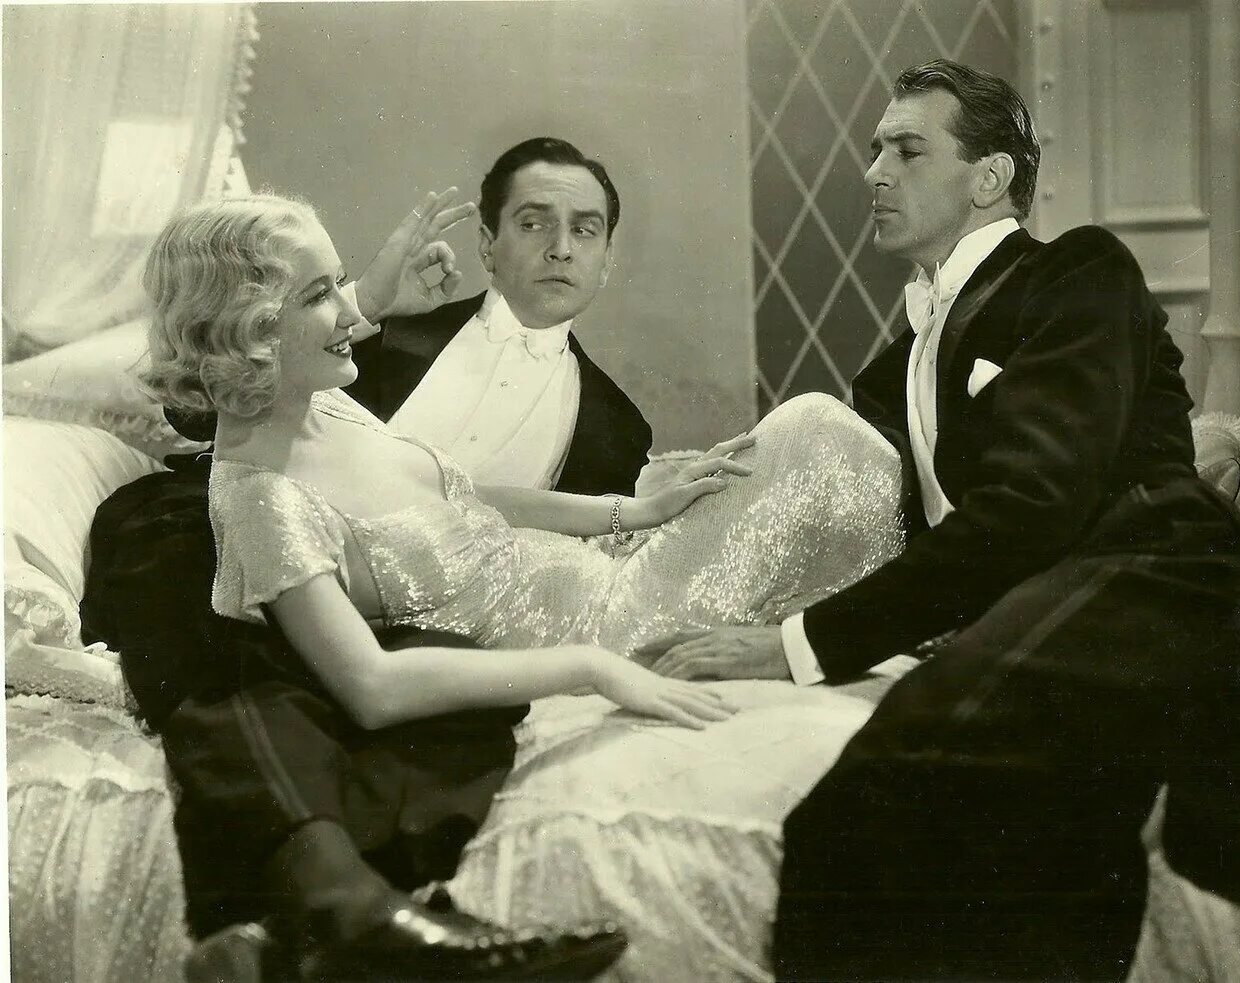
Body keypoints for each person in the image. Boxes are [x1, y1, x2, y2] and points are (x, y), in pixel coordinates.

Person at [138, 191, 910, 979]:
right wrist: (592, 667)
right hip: (612, 630)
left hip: (611, 575)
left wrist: (629, 510)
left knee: (809, 434)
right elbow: (371, 686)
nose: (350, 309)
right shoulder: (261, 499)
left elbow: (464, 496)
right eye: (318, 295)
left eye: (337, 282)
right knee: (817, 436)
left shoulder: (320, 402)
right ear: (252, 331)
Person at [645, 59, 1240, 980]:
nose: (873, 172)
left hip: (1160, 579)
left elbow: (1031, 509)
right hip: (1050, 606)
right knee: (930, 815)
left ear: (991, 178)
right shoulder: (908, 350)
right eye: (874, 150)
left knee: (890, 789)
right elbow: (837, 474)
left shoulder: (1078, 271)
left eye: (906, 150)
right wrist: (662, 499)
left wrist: (792, 644)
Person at [345, 136, 651, 495]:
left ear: (606, 262)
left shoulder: (621, 428)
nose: (562, 250)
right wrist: (365, 303)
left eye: (583, 230)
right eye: (533, 224)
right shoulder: (379, 332)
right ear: (487, 246)